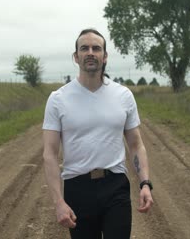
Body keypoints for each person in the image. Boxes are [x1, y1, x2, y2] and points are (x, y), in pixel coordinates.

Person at [42, 28, 153, 239]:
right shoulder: (58, 99)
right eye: (84, 48)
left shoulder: (123, 95)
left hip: (115, 186)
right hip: (77, 189)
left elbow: (136, 144)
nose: (90, 52)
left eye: (96, 48)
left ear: (105, 56)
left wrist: (145, 183)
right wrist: (58, 203)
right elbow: (49, 154)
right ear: (76, 57)